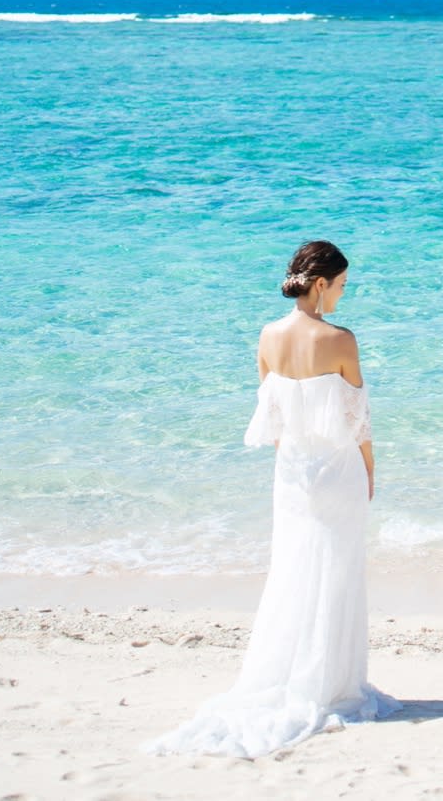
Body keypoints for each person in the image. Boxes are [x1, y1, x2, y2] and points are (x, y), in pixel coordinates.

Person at [146, 239, 396, 757]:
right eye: (342, 285)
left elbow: (272, 415)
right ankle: (332, 685)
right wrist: (370, 472)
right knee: (337, 574)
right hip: (338, 471)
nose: (343, 294)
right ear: (320, 283)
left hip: (293, 472)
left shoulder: (267, 335)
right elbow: (359, 421)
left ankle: (288, 675)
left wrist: (295, 462)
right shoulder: (341, 340)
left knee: (293, 571)